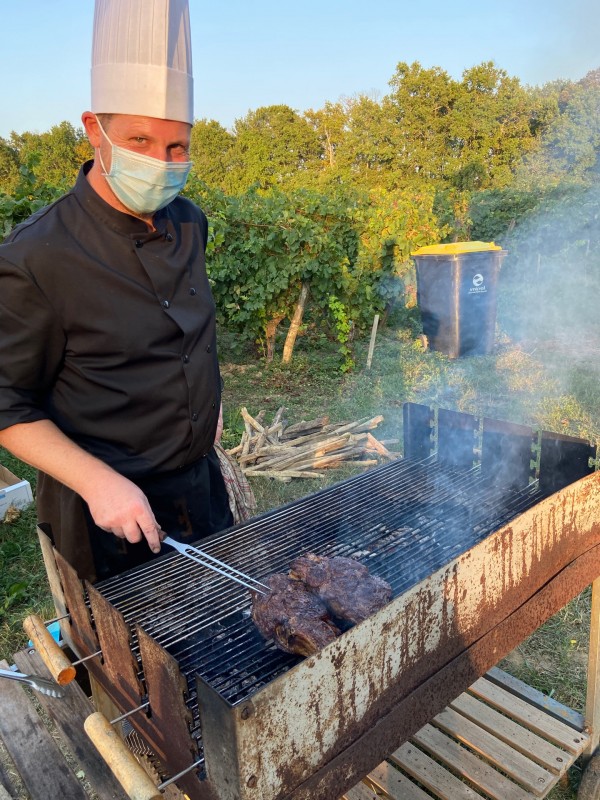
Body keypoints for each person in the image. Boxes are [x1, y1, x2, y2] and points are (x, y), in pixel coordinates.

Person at [0, 0, 233, 582]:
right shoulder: (34, 257)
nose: (161, 162)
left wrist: (209, 403)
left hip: (199, 486)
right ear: (94, 130)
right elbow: (6, 404)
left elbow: (190, 334)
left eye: (177, 147)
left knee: (228, 640)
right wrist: (99, 482)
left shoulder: (189, 223)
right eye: (140, 140)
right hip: (107, 513)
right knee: (132, 665)